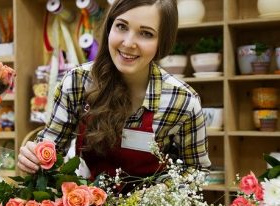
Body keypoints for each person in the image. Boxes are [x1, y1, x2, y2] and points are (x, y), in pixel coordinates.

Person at [18, 0, 211, 183]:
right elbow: (51, 149)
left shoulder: (182, 101)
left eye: (146, 33)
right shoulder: (77, 82)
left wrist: (157, 194)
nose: (128, 43)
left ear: (163, 41)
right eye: (121, 26)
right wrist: (34, 157)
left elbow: (196, 171)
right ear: (110, 27)